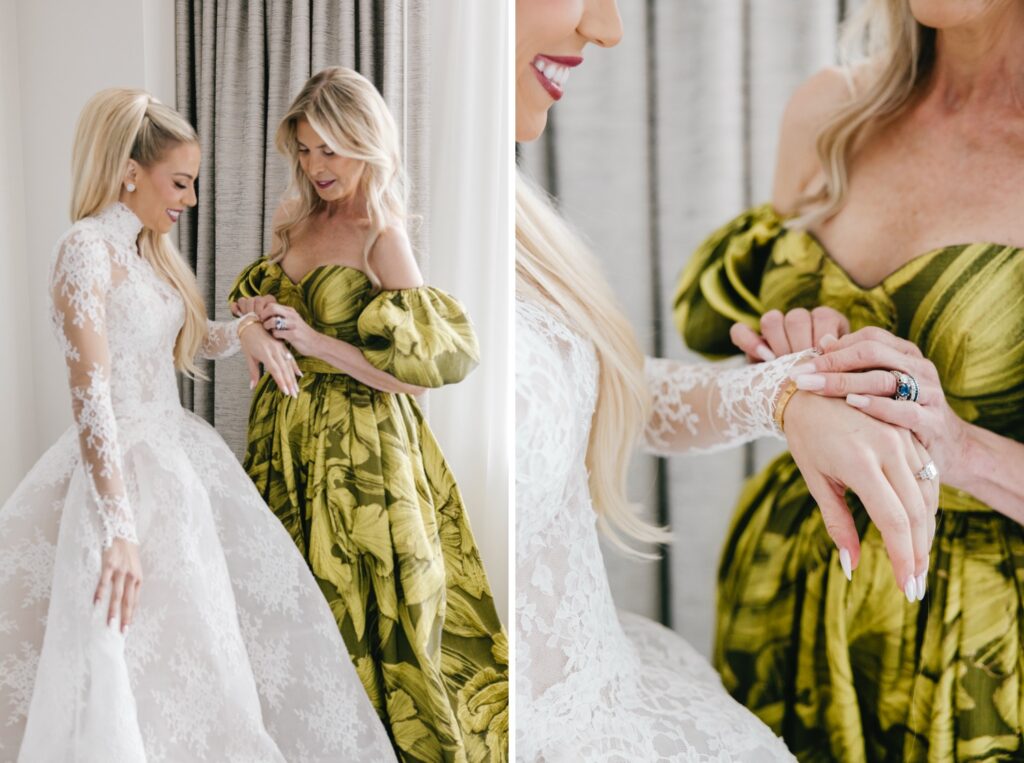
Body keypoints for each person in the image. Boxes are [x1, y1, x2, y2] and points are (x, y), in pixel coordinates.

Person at [514, 0, 937, 760]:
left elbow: (583, 388)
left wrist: (788, 391)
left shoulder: (500, 214)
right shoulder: (348, 239)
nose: (610, 29)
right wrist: (805, 384)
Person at [0, 88, 396, 761]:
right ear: (131, 171)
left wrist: (242, 329)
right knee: (124, 653)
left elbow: (181, 339)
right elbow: (91, 395)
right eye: (180, 182)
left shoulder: (147, 254)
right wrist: (118, 529)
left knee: (197, 653)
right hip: (120, 479)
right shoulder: (85, 249)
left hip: (176, 463)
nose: (189, 199)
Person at [674, 0, 1024, 758]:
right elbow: (737, 355)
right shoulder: (831, 112)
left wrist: (958, 448)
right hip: (787, 588)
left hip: (975, 650)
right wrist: (796, 361)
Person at [228, 67, 507, 762]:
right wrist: (256, 320)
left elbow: (416, 379)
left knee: (373, 609)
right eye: (306, 149)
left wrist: (316, 342)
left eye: (331, 149)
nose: (317, 166)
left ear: (365, 143)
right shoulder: (294, 220)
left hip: (363, 448)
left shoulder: (381, 235)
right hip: (285, 439)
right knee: (288, 603)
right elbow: (250, 307)